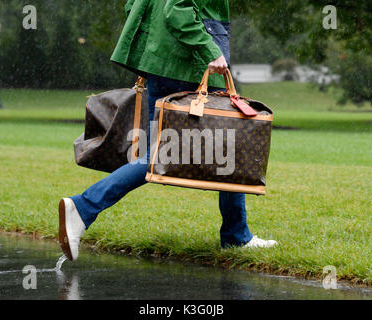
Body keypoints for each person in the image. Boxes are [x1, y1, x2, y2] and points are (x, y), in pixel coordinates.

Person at [58, 0, 278, 261]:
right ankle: (83, 207)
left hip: (162, 63)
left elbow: (135, 5)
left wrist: (155, 44)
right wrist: (210, 49)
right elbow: (176, 8)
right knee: (226, 142)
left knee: (162, 155)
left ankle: (236, 234)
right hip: (190, 64)